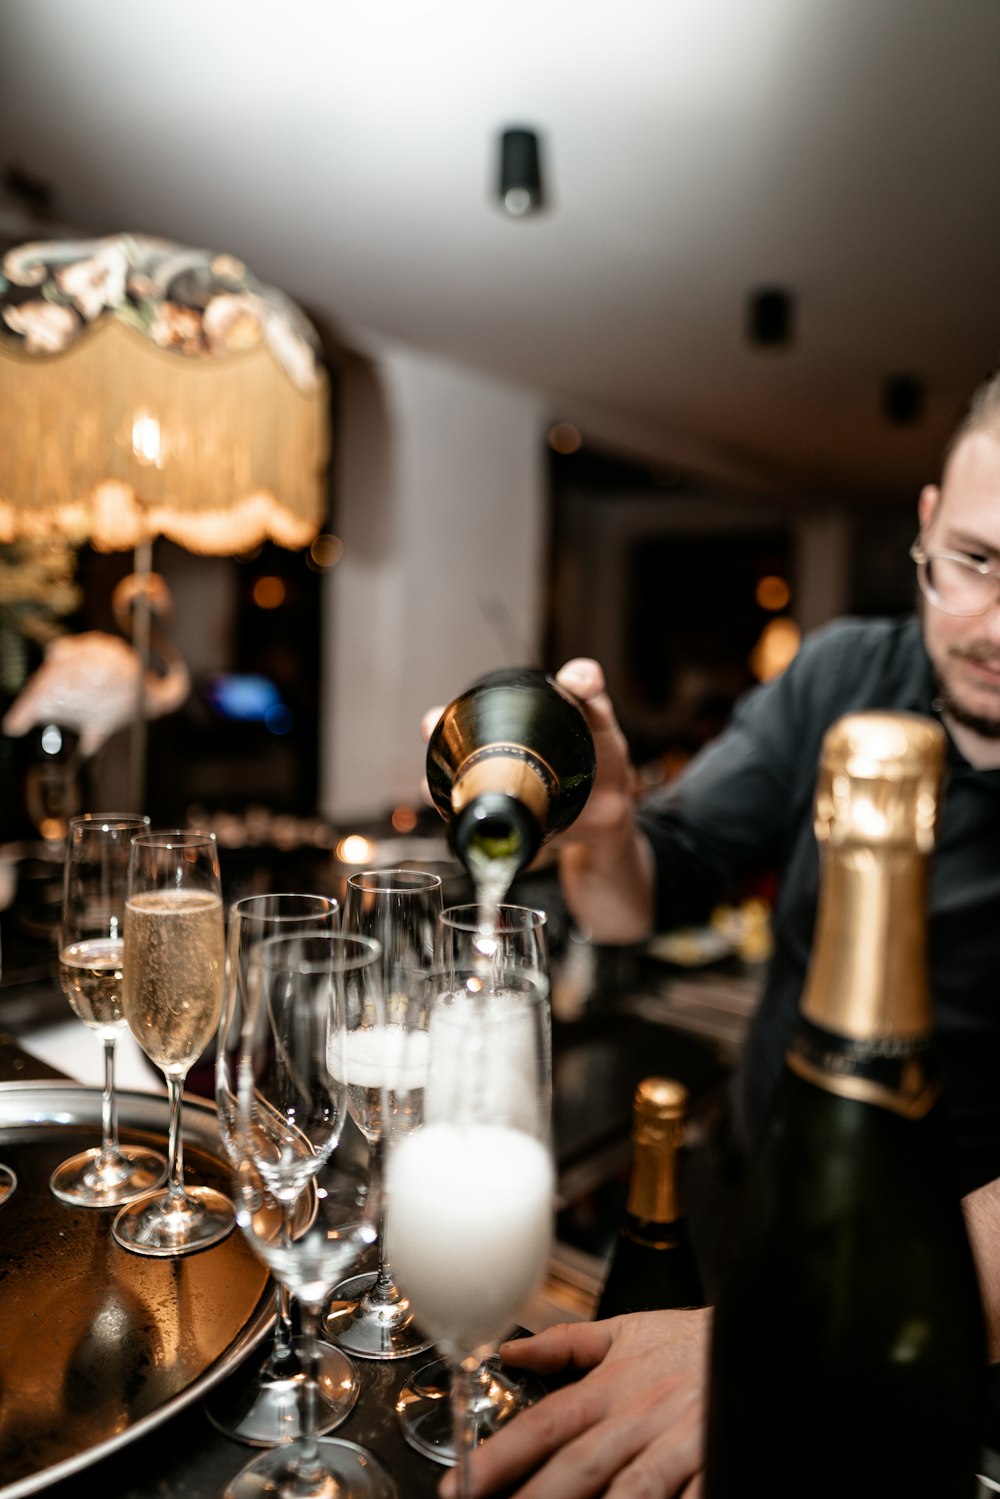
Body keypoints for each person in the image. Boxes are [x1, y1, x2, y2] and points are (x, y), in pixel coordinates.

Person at [426, 364, 1000, 1499]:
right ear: (927, 522)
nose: (997, 626)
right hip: (756, 1230)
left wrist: (781, 1343)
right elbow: (641, 896)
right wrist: (603, 833)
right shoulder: (842, 672)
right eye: (976, 563)